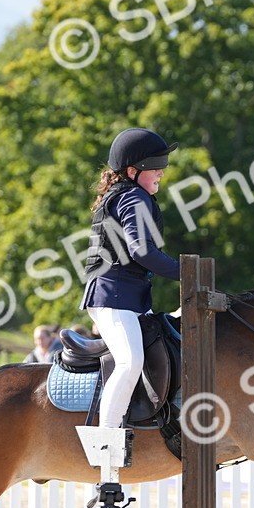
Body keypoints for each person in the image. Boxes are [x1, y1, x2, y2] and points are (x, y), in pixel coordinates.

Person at [81, 127, 182, 440]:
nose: (162, 173)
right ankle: (106, 439)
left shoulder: (132, 194)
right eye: (156, 167)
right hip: (112, 297)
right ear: (132, 171)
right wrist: (187, 272)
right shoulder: (133, 196)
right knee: (130, 360)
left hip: (126, 298)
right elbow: (142, 251)